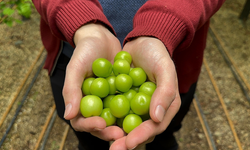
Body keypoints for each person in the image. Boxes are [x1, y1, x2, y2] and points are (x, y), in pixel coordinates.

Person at [32, 0, 225, 149]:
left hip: (169, 63)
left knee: (161, 136)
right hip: (76, 55)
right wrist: (76, 15)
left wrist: (164, 24)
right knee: (90, 139)